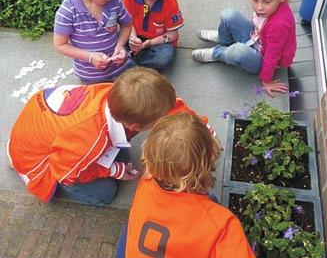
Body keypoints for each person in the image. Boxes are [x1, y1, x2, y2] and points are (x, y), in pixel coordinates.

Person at [95, 112, 268, 258]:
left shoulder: (146, 184)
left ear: (150, 156)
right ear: (209, 160)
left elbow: (169, 149)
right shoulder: (220, 224)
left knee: (130, 230)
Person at [7, 68, 203, 207]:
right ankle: (39, 181)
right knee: (105, 193)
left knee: (123, 155)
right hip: (41, 165)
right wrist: (115, 170)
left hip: (56, 138)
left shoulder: (123, 94)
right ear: (135, 126)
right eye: (158, 121)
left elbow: (170, 106)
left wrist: (201, 129)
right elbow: (66, 173)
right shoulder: (87, 141)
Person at [192, 0, 296, 96]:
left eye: (266, 2)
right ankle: (224, 39)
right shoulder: (268, 7)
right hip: (256, 38)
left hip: (262, 58)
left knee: (239, 51)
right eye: (255, 0)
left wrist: (266, 81)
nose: (259, 7)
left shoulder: (279, 25)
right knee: (228, 14)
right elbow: (258, 25)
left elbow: (272, 55)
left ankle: (217, 53)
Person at [54, 0, 134, 84]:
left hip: (121, 68)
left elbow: (127, 25)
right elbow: (60, 45)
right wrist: (90, 57)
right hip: (92, 77)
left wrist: (120, 45)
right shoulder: (68, 11)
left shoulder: (114, 0)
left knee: (147, 92)